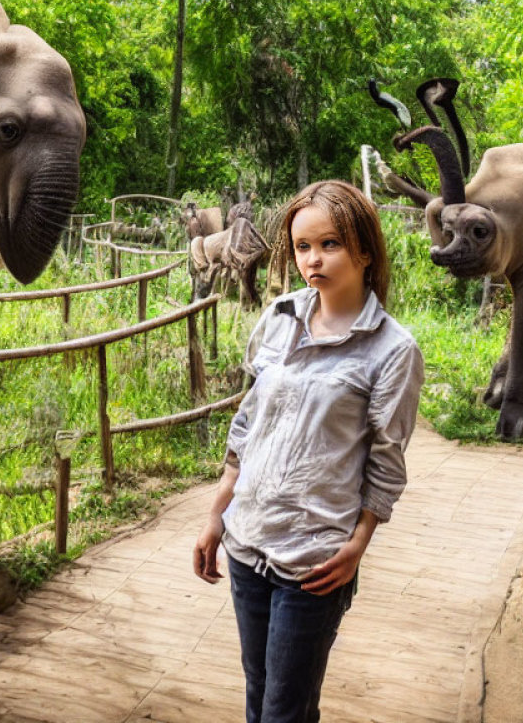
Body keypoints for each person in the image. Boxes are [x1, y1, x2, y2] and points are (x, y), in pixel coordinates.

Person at [192, 179, 424, 723]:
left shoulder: (393, 351)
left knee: (284, 713)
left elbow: (386, 463)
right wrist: (215, 517)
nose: (313, 260)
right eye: (301, 247)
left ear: (364, 250)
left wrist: (358, 544)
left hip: (316, 561)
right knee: (259, 701)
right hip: (247, 543)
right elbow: (248, 426)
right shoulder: (278, 317)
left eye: (330, 245)